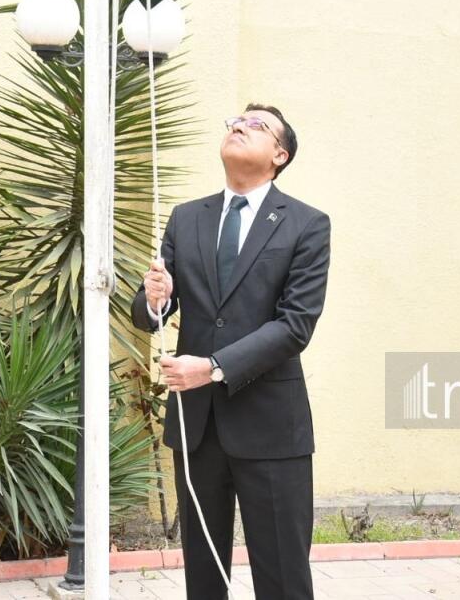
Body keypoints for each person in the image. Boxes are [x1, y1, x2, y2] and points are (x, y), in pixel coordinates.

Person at [132, 103, 331, 600]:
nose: (240, 126)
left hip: (271, 425)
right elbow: (150, 311)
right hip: (197, 426)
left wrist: (214, 368)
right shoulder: (186, 218)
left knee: (283, 575)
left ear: (280, 155)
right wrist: (155, 299)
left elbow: (295, 325)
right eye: (236, 121)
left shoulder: (306, 224)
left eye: (257, 125)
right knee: (203, 575)